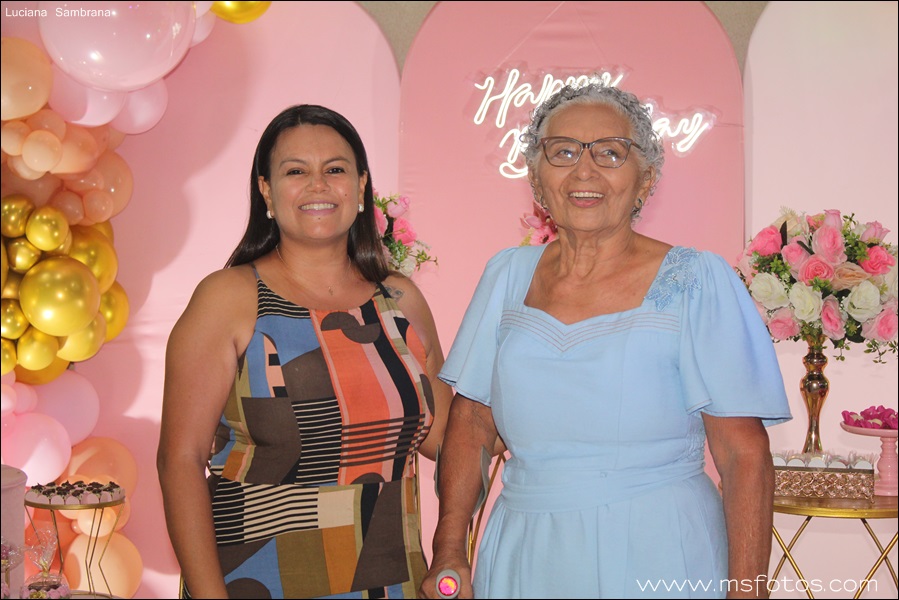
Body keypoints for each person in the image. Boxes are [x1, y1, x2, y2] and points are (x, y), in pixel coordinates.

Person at [420, 82, 792, 599]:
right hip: (525, 549)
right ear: (535, 177)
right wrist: (449, 548)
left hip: (659, 549)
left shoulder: (696, 280)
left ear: (646, 178)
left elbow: (742, 454)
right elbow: (472, 423)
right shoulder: (506, 274)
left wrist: (748, 591)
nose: (584, 171)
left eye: (610, 153)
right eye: (563, 151)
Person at [157, 104, 452, 599]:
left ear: (361, 186)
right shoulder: (229, 298)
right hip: (255, 582)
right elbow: (180, 460)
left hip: (389, 583)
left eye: (335, 169)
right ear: (266, 191)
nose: (318, 184)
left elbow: (446, 439)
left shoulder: (400, 301)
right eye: (296, 171)